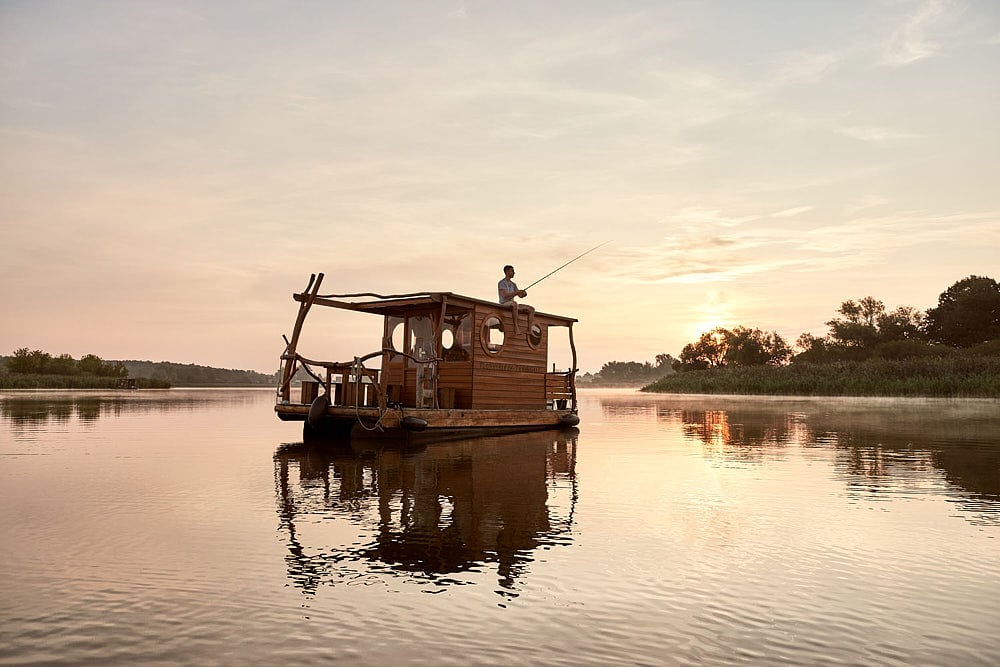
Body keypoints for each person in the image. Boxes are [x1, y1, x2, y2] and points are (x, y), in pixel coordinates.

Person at [498, 265, 534, 335]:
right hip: (504, 303)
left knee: (531, 309)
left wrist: (523, 294)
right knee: (515, 304)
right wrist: (516, 292)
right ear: (507, 272)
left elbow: (519, 295)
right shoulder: (501, 283)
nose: (514, 273)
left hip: (512, 303)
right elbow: (505, 296)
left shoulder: (513, 284)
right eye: (512, 271)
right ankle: (516, 327)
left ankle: (529, 330)